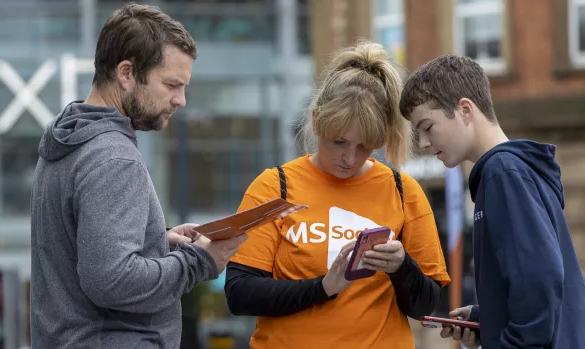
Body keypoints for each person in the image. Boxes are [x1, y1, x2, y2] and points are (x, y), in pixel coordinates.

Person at [30, 3, 247, 348]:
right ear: (126, 73)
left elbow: (84, 252)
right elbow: (111, 281)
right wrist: (199, 261)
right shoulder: (113, 157)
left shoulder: (68, 141)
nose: (181, 100)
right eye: (172, 84)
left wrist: (156, 240)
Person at [224, 41, 451, 349]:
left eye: (364, 147)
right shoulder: (274, 186)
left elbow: (425, 306)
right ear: (317, 120)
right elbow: (239, 294)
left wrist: (402, 267)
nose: (350, 158)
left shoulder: (403, 191)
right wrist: (324, 287)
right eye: (339, 142)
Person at [399, 54, 585, 349]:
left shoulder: (502, 172)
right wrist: (488, 320)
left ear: (464, 110)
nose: (422, 143)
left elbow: (541, 282)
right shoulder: (516, 170)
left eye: (427, 127)